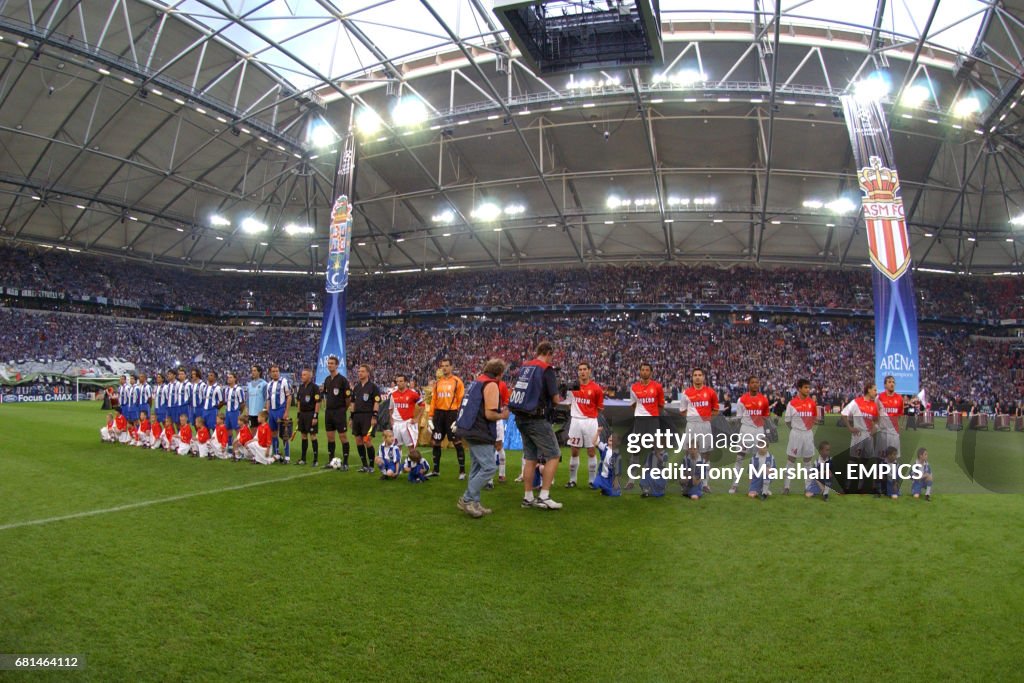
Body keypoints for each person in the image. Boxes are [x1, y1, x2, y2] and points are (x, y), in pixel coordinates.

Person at [512, 342, 564, 510]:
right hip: (537, 418)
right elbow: (555, 400)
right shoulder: (546, 369)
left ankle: (528, 498)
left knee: (530, 458)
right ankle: (544, 496)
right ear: (548, 353)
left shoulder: (526, 367)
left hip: (521, 417)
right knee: (554, 455)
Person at [456, 358, 508, 518]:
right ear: (499, 374)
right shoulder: (491, 384)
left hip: (469, 428)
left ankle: (475, 503)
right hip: (480, 431)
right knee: (489, 467)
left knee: (477, 467)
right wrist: (503, 414)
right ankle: (467, 499)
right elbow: (490, 414)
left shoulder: (476, 382)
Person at [626, 362, 665, 491]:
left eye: (647, 370)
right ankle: (631, 480)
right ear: (640, 372)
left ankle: (656, 477)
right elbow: (633, 404)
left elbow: (661, 405)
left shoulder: (657, 387)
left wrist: (651, 414)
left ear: (651, 372)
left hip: (653, 420)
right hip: (639, 421)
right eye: (642, 370)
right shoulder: (634, 387)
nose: (644, 372)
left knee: (656, 449)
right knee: (635, 450)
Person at [565, 361, 604, 489]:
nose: (582, 371)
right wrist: (577, 413)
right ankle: (572, 480)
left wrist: (588, 415)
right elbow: (569, 403)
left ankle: (592, 481)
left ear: (589, 371)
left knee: (591, 451)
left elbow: (599, 408)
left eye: (584, 369)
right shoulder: (572, 387)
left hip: (590, 421)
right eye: (580, 369)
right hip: (575, 421)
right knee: (574, 451)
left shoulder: (597, 389)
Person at [681, 368, 719, 493]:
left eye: (700, 375)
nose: (697, 377)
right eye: (695, 375)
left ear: (703, 377)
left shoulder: (711, 392)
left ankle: (705, 483)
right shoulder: (686, 393)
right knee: (688, 453)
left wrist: (705, 419)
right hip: (691, 425)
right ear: (692, 377)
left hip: (705, 425)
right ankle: (688, 480)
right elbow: (682, 411)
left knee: (706, 454)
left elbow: (715, 409)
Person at [731, 376, 770, 494]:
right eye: (752, 382)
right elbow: (739, 418)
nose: (755, 384)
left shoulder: (764, 399)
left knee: (758, 459)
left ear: (759, 384)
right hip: (745, 431)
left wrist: (766, 431)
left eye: (757, 382)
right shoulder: (741, 400)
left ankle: (758, 486)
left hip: (759, 431)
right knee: (739, 458)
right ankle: (734, 484)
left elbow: (765, 417)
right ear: (748, 384)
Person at [428, 358, 466, 479]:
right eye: (442, 366)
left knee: (457, 442)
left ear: (451, 367)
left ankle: (462, 472)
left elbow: (461, 401)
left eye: (447, 365)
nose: (444, 368)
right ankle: (436, 470)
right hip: (439, 415)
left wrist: (459, 419)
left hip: (452, 414)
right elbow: (433, 400)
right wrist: (430, 417)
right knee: (436, 442)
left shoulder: (457, 381)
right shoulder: (437, 383)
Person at [841, 381, 880, 493]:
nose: (876, 392)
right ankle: (847, 487)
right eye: (874, 390)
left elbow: (877, 421)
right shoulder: (856, 402)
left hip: (868, 437)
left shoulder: (874, 406)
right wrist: (850, 427)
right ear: (868, 390)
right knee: (852, 461)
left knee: (865, 463)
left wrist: (874, 429)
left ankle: (860, 488)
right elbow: (844, 414)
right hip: (858, 436)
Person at [783, 379, 818, 495]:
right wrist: (795, 429)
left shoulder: (812, 403)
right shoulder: (792, 403)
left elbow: (814, 418)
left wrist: (811, 424)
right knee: (791, 460)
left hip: (808, 434)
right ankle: (786, 487)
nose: (808, 390)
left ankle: (808, 487)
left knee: (808, 461)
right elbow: (787, 421)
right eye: (806, 387)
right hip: (796, 434)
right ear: (799, 388)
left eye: (809, 387)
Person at [321, 355, 352, 470]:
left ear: (337, 365)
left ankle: (346, 463)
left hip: (339, 411)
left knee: (343, 436)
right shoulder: (327, 380)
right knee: (330, 437)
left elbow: (348, 398)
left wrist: (344, 409)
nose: (330, 365)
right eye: (329, 363)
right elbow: (325, 394)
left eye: (332, 363)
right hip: (329, 412)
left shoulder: (343, 380)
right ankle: (331, 461)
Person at [350, 364, 382, 472]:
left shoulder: (373, 387)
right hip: (357, 416)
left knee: (367, 441)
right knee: (358, 441)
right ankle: (364, 465)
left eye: (362, 371)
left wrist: (374, 416)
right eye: (359, 371)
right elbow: (353, 403)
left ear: (368, 373)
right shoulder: (356, 387)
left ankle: (372, 466)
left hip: (368, 416)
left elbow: (376, 402)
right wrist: (351, 417)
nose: (360, 373)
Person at [389, 374, 423, 454]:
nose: (398, 383)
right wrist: (391, 420)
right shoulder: (393, 395)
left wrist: (417, 418)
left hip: (407, 423)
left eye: (401, 381)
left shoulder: (413, 394)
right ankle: (397, 465)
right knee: (397, 447)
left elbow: (422, 405)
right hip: (396, 424)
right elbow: (390, 408)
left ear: (406, 382)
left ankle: (412, 464)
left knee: (411, 447)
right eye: (397, 381)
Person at [265, 364, 292, 461]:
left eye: (277, 371)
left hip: (281, 410)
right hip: (272, 411)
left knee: (284, 433)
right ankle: (276, 453)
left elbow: (289, 397)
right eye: (273, 371)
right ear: (270, 373)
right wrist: (268, 410)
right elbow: (268, 399)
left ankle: (287, 455)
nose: (275, 373)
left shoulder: (284, 382)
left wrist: (286, 412)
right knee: (273, 433)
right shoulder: (269, 384)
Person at [294, 368, 320, 466]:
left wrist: (315, 416)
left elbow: (318, 402)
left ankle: (315, 460)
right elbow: (299, 402)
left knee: (312, 435)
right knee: (303, 435)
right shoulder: (300, 387)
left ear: (310, 376)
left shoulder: (314, 387)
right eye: (302, 374)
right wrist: (298, 415)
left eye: (304, 374)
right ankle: (303, 459)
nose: (302, 376)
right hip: (303, 415)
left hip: (310, 413)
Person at [876, 375, 904, 461]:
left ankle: (892, 474)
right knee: (881, 459)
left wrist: (899, 427)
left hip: (894, 434)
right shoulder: (879, 398)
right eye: (889, 382)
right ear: (885, 385)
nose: (892, 384)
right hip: (882, 433)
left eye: (893, 382)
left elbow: (901, 415)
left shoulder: (899, 398)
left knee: (893, 459)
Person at [223, 372, 245, 449]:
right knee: (228, 429)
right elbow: (226, 402)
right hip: (228, 412)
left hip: (235, 412)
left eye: (231, 377)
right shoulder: (226, 389)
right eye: (228, 377)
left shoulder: (238, 389)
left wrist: (240, 413)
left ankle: (239, 448)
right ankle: (230, 447)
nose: (229, 379)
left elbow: (242, 402)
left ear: (235, 379)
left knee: (237, 430)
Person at [247, 365, 268, 429]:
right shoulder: (249, 384)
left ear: (259, 372)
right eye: (252, 371)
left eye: (255, 371)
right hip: (251, 413)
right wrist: (247, 409)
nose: (253, 372)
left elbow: (266, 398)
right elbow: (248, 399)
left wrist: (264, 411)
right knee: (252, 431)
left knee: (260, 432)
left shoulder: (264, 384)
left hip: (260, 413)